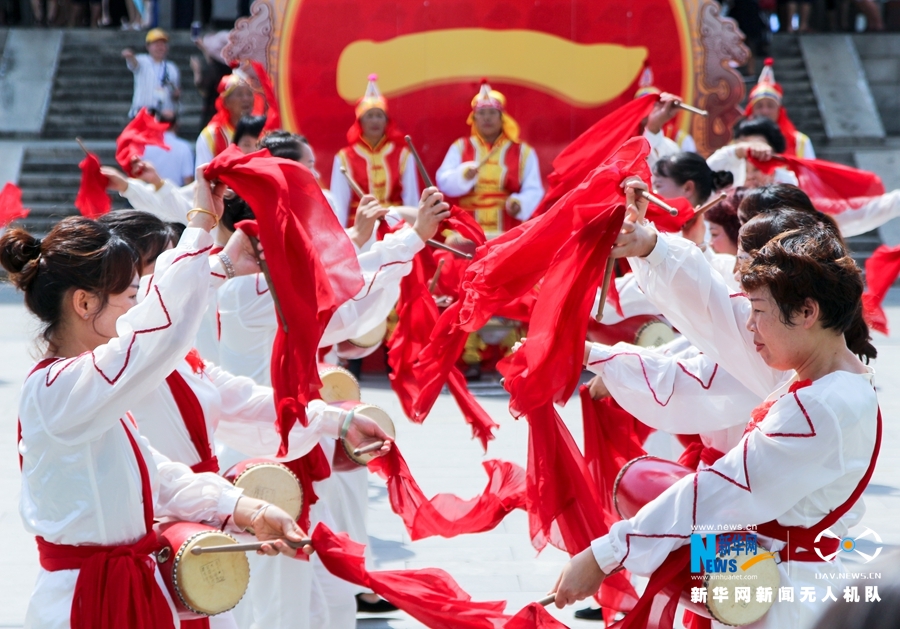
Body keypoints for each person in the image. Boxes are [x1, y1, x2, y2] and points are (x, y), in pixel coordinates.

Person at [552, 178, 880, 629]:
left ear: (807, 312)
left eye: (759, 312)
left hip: (781, 594)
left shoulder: (820, 403)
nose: (748, 327)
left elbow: (723, 489)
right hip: (769, 575)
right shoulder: (829, 383)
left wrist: (605, 554)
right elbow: (712, 324)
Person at [0, 177, 312, 629]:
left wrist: (245, 508)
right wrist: (202, 222)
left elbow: (153, 475)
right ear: (85, 302)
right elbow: (159, 335)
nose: (138, 306)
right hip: (84, 601)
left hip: (120, 588)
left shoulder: (86, 387)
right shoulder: (62, 387)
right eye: (131, 297)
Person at [436, 80, 544, 237]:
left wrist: (519, 203)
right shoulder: (460, 147)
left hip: (507, 226)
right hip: (468, 226)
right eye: (481, 113)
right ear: (474, 118)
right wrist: (463, 175)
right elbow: (443, 180)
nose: (487, 118)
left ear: (502, 118)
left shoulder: (522, 151)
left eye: (492, 113)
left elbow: (534, 189)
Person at [329, 74, 419, 229]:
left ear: (387, 121)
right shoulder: (345, 157)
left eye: (379, 116)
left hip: (394, 226)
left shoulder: (403, 155)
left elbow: (411, 198)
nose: (375, 121)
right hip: (360, 227)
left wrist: (415, 230)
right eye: (369, 116)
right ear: (360, 122)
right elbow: (339, 202)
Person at [744, 58, 815, 159]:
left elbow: (810, 174)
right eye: (759, 106)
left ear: (779, 110)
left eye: (770, 106)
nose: (765, 111)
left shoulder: (800, 142)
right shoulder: (739, 143)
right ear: (751, 110)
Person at [707, 116, 798, 188]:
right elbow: (706, 171)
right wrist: (738, 151)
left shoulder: (788, 181)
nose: (754, 152)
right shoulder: (731, 173)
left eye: (759, 147)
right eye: (748, 148)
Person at [195, 73, 255, 169]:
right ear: (225, 102)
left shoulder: (262, 132)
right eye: (239, 94)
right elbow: (202, 176)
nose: (246, 99)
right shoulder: (211, 135)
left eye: (249, 94)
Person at [122, 29, 181, 119]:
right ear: (148, 46)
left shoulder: (172, 67)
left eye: (163, 45)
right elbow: (133, 64)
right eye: (156, 45)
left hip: (163, 115)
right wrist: (129, 56)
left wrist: (176, 94)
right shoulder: (142, 60)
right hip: (142, 113)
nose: (160, 48)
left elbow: (175, 91)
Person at [143, 110, 195, 186]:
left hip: (150, 195)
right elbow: (188, 180)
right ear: (176, 124)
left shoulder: (145, 146)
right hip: (175, 195)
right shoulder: (184, 147)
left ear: (158, 124)